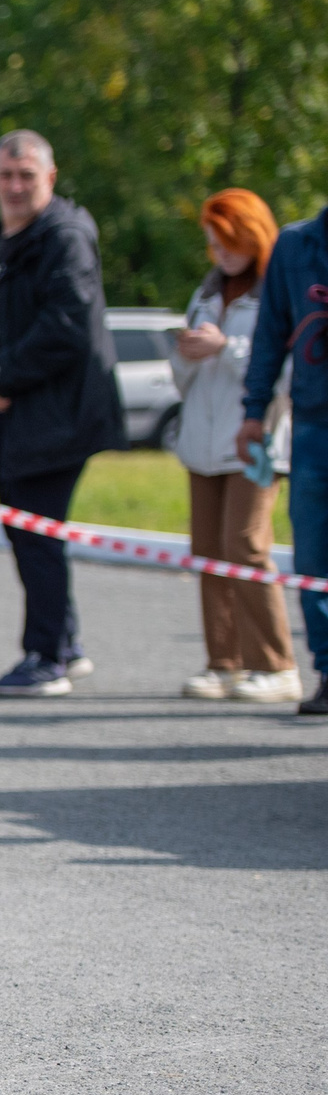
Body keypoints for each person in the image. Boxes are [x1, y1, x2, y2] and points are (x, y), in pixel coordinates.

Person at [0, 130, 127, 698]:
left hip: (52, 418)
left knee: (36, 537)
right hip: (11, 420)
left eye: (27, 175)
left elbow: (68, 324)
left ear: (50, 177)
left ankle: (44, 655)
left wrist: (2, 377)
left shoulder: (64, 237)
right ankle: (64, 645)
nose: (16, 186)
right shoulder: (0, 240)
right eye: (7, 175)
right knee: (30, 535)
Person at [174, 192, 296, 702]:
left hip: (255, 442)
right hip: (201, 442)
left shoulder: (277, 291)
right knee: (209, 553)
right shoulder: (206, 295)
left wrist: (227, 349)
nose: (220, 253)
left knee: (245, 546)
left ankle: (274, 663)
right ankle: (223, 662)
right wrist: (186, 352)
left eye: (228, 241)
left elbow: (286, 373)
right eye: (212, 244)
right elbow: (182, 380)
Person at [241, 191, 328, 717]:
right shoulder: (295, 246)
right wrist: (253, 411)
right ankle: (327, 669)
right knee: (314, 554)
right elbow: (270, 335)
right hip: (315, 427)